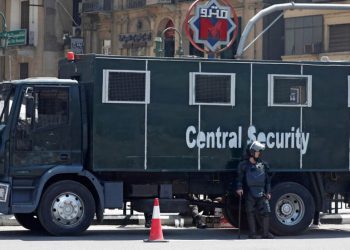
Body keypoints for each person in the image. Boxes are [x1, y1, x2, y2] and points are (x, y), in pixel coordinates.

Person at [236, 141, 274, 239]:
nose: (259, 153)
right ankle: (252, 234)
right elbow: (239, 178)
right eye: (258, 151)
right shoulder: (243, 165)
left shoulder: (264, 165)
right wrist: (239, 188)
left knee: (266, 212)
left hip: (262, 192)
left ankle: (265, 233)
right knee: (250, 212)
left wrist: (268, 191)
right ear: (252, 152)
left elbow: (268, 180)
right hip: (250, 192)